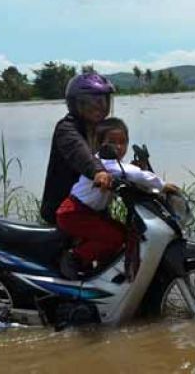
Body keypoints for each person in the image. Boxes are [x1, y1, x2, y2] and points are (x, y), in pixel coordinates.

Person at [56, 117, 180, 279]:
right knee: (115, 237)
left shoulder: (114, 164)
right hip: (74, 214)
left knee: (124, 233)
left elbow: (127, 171)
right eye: (112, 142)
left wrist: (135, 169)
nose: (119, 147)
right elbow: (132, 174)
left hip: (88, 214)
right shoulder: (101, 163)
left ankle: (104, 271)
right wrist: (162, 185)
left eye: (123, 142)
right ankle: (74, 258)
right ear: (100, 144)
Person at [40, 72, 116, 225]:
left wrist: (138, 173)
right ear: (76, 104)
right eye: (92, 101)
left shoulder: (101, 130)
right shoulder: (66, 129)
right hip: (65, 213)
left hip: (89, 209)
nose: (99, 105)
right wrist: (98, 172)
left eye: (103, 99)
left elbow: (112, 161)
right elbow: (80, 154)